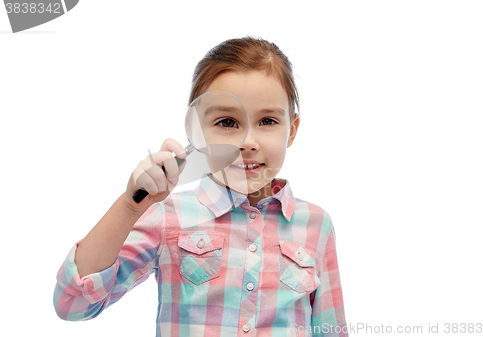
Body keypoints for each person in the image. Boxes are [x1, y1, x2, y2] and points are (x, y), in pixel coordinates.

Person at [53, 36, 348, 337]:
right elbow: (73, 304)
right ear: (196, 130)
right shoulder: (169, 216)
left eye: (268, 121)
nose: (248, 142)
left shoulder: (317, 225)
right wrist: (130, 206)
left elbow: (332, 330)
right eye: (227, 122)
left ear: (292, 130)